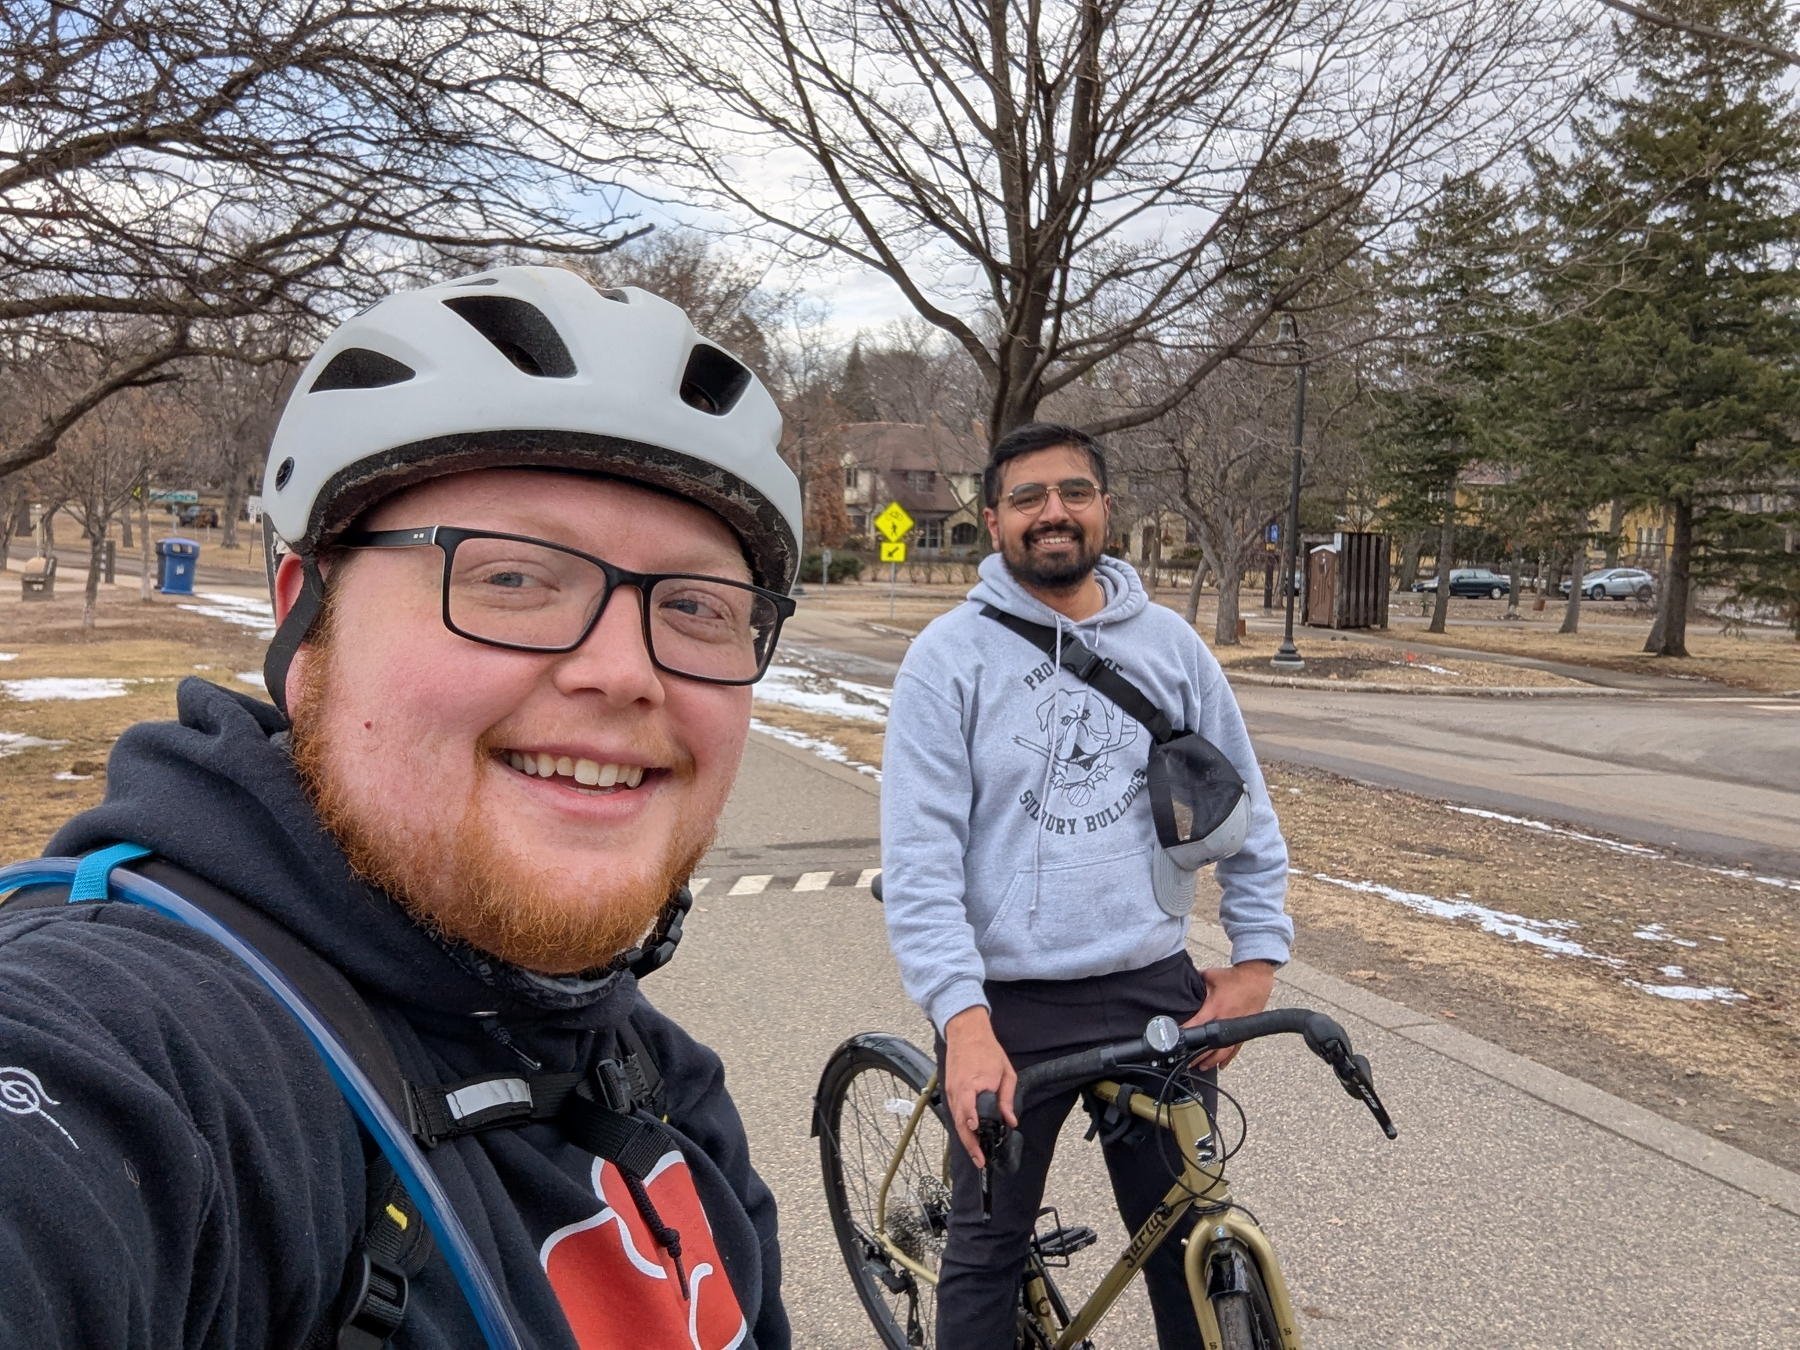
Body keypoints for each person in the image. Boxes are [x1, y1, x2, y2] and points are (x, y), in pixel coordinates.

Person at [0, 267, 799, 1349]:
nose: (624, 673)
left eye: (698, 605)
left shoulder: (662, 1086)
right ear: (308, 628)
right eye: (511, 577)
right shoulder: (139, 1047)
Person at [879, 422, 1293, 1347]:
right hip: (1008, 1009)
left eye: (1073, 492)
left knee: (1188, 1244)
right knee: (986, 1253)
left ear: (1107, 508)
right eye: (1027, 497)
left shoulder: (1171, 647)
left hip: (1153, 988)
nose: (1052, 512)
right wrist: (962, 1021)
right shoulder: (947, 659)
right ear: (994, 519)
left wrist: (1258, 961)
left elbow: (1246, 815)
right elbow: (921, 863)